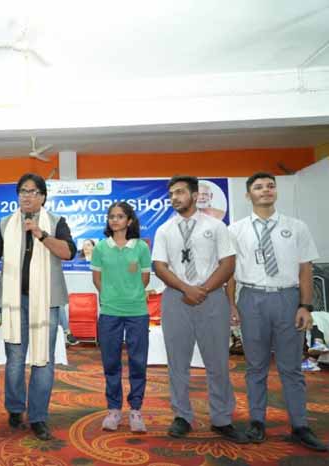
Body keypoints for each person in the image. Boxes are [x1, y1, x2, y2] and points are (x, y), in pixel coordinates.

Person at [227, 172, 328, 451]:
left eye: (270, 186)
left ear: (276, 192)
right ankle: (257, 422)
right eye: (258, 187)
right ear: (248, 195)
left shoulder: (296, 227)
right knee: (255, 366)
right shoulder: (235, 230)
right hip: (251, 299)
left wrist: (306, 306)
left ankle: (300, 426)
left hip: (288, 299)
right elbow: (230, 272)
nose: (266, 190)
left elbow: (305, 268)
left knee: (291, 367)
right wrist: (231, 304)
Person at [152, 175, 248, 443]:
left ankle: (222, 418)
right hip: (176, 299)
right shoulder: (164, 230)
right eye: (172, 193)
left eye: (180, 192)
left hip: (212, 298)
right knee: (177, 363)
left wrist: (202, 289)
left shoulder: (216, 227)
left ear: (195, 195)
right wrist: (186, 289)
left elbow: (228, 264)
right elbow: (159, 266)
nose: (175, 197)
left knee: (217, 362)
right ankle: (182, 416)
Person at [0, 173, 76, 441]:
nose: (27, 196)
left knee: (43, 360)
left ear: (43, 197)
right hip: (15, 302)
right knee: (15, 359)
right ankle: (14, 408)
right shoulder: (5, 223)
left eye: (33, 191)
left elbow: (68, 252)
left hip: (46, 301)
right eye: (23, 191)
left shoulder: (56, 222)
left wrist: (40, 233)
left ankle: (38, 417)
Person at [91, 202, 151, 433]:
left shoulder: (141, 247)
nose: (115, 220)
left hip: (137, 312)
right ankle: (114, 409)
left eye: (120, 216)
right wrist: (110, 296)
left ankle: (136, 409)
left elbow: (144, 279)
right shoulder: (100, 248)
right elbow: (97, 279)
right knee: (111, 363)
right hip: (109, 312)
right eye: (111, 216)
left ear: (129, 220)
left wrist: (131, 295)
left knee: (138, 362)